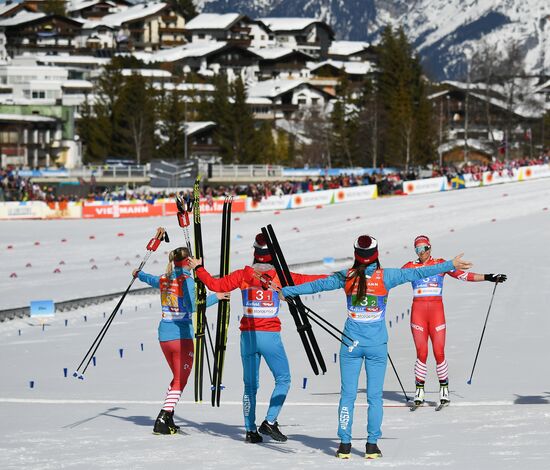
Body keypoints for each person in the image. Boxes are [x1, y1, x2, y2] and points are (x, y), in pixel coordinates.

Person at [280, 235, 473, 460]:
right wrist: (450, 264)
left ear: (356, 255)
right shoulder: (386, 276)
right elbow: (418, 273)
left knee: (347, 396)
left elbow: (316, 285)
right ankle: (371, 446)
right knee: (374, 398)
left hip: (350, 345)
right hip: (377, 347)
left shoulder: (346, 276)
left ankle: (344, 445)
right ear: (376, 255)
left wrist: (288, 291)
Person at [188, 233, 327, 444]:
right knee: (283, 379)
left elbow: (215, 286)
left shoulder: (243, 275)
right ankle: (270, 421)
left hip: (248, 337)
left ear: (255, 253)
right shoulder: (280, 276)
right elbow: (311, 281)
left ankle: (250, 430)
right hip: (270, 337)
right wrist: (341, 277)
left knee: (250, 387)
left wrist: (198, 268)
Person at [402, 235, 507, 408]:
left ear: (430, 248)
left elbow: (463, 276)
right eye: (418, 249)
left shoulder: (441, 264)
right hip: (418, 313)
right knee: (421, 353)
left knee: (439, 352)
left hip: (436, 312)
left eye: (424, 248)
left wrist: (488, 277)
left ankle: (444, 388)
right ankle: (419, 390)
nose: (421, 253)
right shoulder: (410, 266)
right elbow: (391, 278)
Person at [134, 247, 229, 435]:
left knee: (177, 378)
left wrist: (139, 274)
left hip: (164, 336)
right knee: (180, 380)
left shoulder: (165, 277)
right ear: (187, 262)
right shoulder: (187, 280)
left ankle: (168, 417)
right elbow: (194, 306)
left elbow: (150, 279)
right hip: (181, 336)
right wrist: (216, 297)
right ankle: (163, 417)